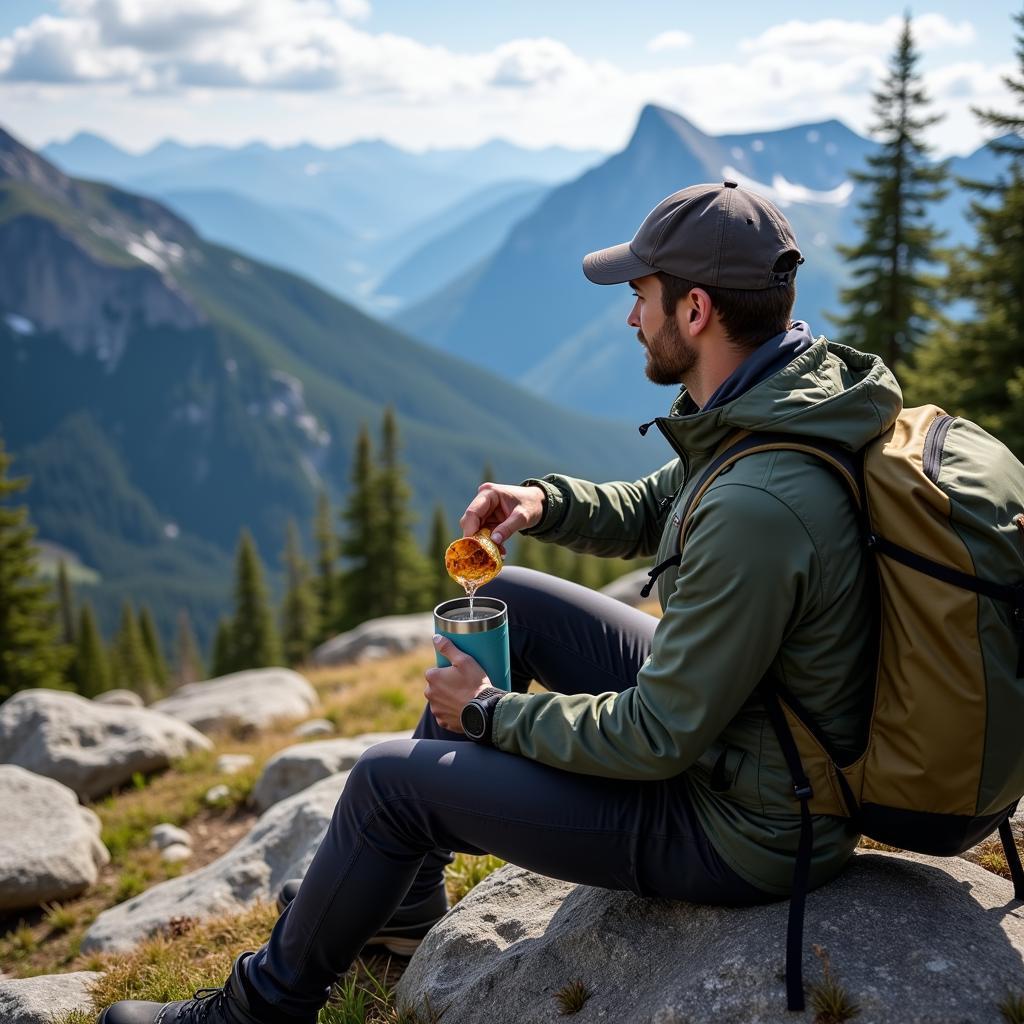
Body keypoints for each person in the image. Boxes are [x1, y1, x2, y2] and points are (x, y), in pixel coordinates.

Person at [97, 181, 901, 1024]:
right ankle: (403, 906)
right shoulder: (780, 402)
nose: (632, 318)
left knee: (382, 783)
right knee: (507, 598)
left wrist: (487, 713)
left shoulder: (759, 504)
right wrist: (543, 503)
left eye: (641, 296)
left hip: (743, 824)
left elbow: (659, 737)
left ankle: (256, 1009)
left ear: (695, 309)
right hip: (755, 733)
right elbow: (669, 502)